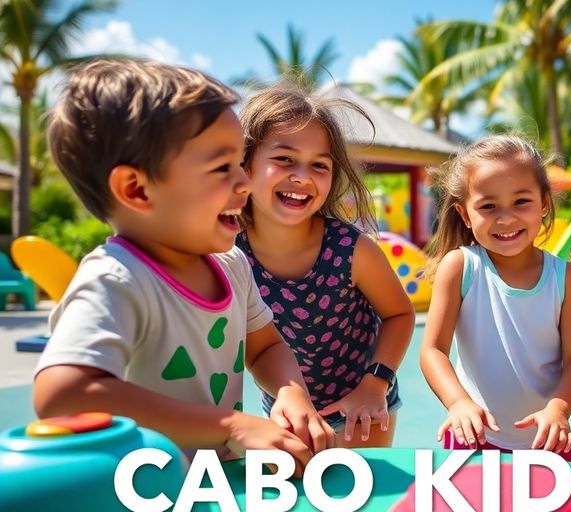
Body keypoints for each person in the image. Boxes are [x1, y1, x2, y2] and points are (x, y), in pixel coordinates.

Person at [33, 59, 334, 469]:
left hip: (214, 481)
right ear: (137, 189)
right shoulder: (117, 280)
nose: (244, 183)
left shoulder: (231, 265)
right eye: (221, 168)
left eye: (241, 163)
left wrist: (291, 392)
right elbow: (62, 392)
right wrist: (229, 424)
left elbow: (266, 346)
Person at [236, 82, 414, 447]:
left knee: (368, 495)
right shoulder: (231, 254)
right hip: (286, 406)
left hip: (363, 402)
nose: (302, 176)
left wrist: (375, 384)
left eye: (319, 165)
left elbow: (400, 314)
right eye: (284, 159)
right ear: (244, 164)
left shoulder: (351, 248)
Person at [420, 135, 571, 459]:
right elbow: (432, 351)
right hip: (472, 436)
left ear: (544, 203)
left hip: (548, 439)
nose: (506, 217)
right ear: (465, 214)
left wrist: (558, 410)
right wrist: (458, 403)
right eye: (488, 206)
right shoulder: (460, 267)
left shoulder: (565, 278)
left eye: (521, 201)